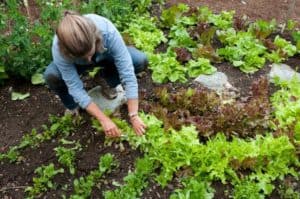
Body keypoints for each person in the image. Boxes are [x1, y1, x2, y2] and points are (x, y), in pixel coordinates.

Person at [44, 11, 147, 137]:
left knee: (139, 60)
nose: (88, 60)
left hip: (104, 55)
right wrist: (104, 119)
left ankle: (108, 80)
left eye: (89, 53)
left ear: (95, 38)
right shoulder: (59, 49)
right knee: (52, 75)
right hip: (76, 65)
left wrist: (134, 115)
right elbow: (74, 87)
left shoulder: (106, 30)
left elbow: (127, 73)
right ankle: (73, 106)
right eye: (83, 56)